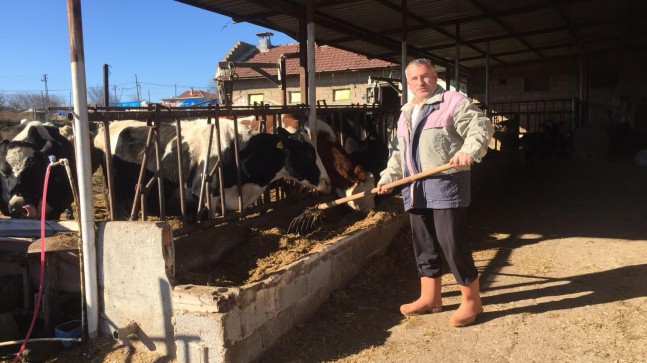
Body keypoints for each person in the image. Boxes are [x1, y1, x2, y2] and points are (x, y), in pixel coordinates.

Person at [376, 58, 492, 327]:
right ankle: (430, 297)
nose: (421, 82)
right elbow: (398, 154)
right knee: (424, 244)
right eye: (414, 78)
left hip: (446, 186)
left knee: (452, 243)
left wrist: (469, 150)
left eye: (426, 76)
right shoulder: (405, 113)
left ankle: (472, 301)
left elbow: (481, 127)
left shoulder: (452, 102)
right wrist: (388, 178)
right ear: (407, 83)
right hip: (416, 189)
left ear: (435, 77)